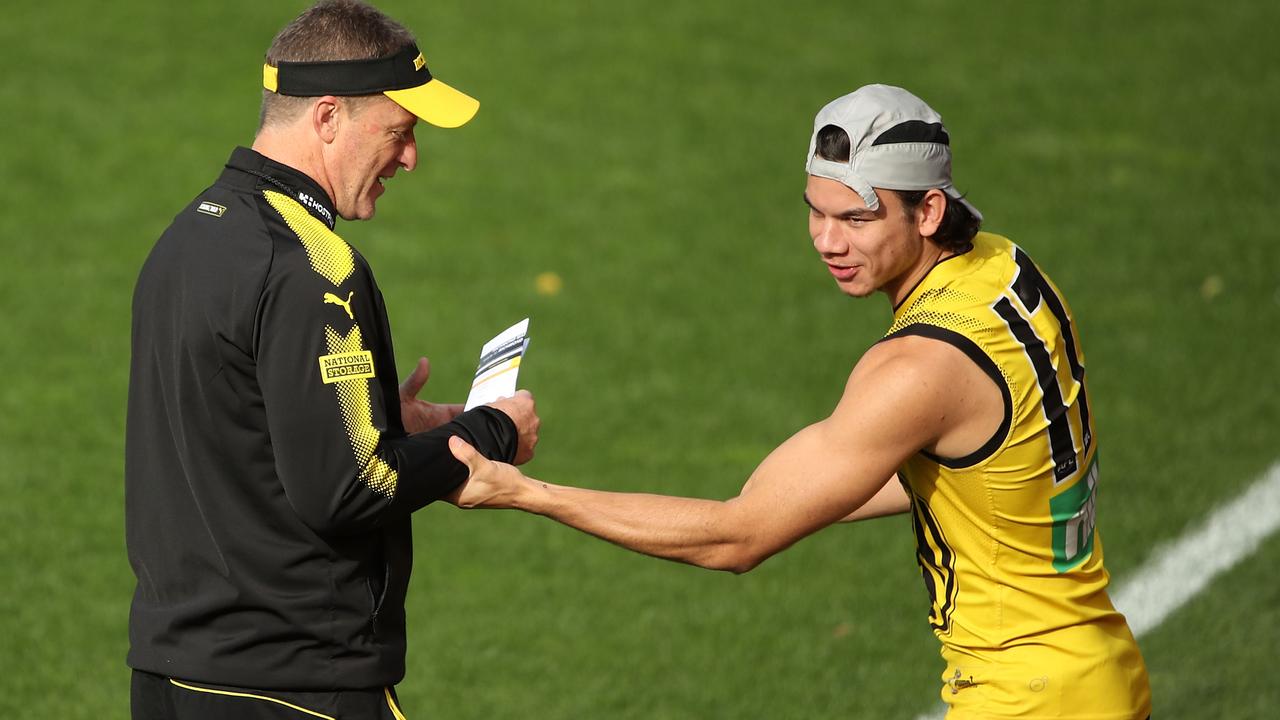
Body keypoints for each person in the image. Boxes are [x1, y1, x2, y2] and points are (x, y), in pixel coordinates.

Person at [446, 84, 1152, 719]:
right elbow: (997, 465)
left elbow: (737, 537)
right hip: (1094, 667)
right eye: (815, 212)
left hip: (1027, 696)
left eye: (855, 219)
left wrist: (526, 492)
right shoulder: (1006, 267)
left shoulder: (916, 369)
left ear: (929, 210)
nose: (826, 241)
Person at [124, 2, 539, 718]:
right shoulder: (314, 267)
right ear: (327, 118)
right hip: (295, 687)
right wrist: (491, 435)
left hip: (172, 681)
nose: (410, 158)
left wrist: (382, 420)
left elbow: (236, 422)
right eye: (400, 132)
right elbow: (351, 487)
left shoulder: (187, 236)